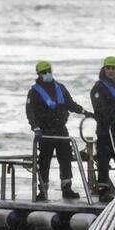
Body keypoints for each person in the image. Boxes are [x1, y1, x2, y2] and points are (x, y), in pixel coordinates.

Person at [25, 60, 91, 201]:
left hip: (61, 130)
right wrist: (36, 128)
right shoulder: (34, 92)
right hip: (45, 132)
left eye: (49, 71)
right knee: (44, 161)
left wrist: (84, 111)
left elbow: (70, 104)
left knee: (65, 158)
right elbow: (30, 112)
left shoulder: (60, 88)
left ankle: (67, 188)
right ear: (39, 74)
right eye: (44, 72)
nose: (47, 74)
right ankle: (43, 191)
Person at [90, 56, 115, 202]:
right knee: (103, 160)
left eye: (114, 68)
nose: (111, 70)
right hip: (105, 130)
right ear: (104, 68)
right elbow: (100, 109)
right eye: (108, 67)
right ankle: (103, 190)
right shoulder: (98, 88)